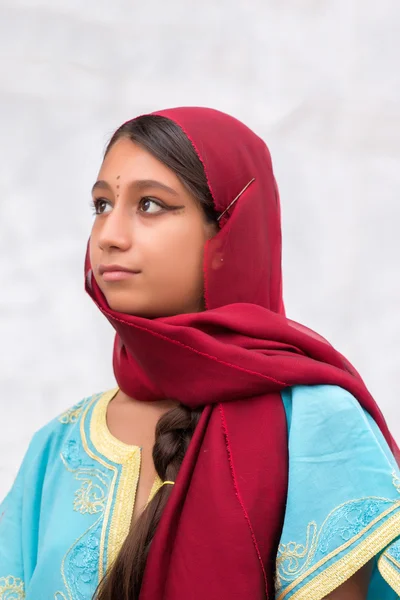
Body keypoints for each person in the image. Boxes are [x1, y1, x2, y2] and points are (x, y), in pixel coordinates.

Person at [0, 107, 399, 600]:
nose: (109, 236)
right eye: (102, 206)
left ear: (228, 234)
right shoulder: (59, 445)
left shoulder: (319, 424)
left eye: (149, 205)